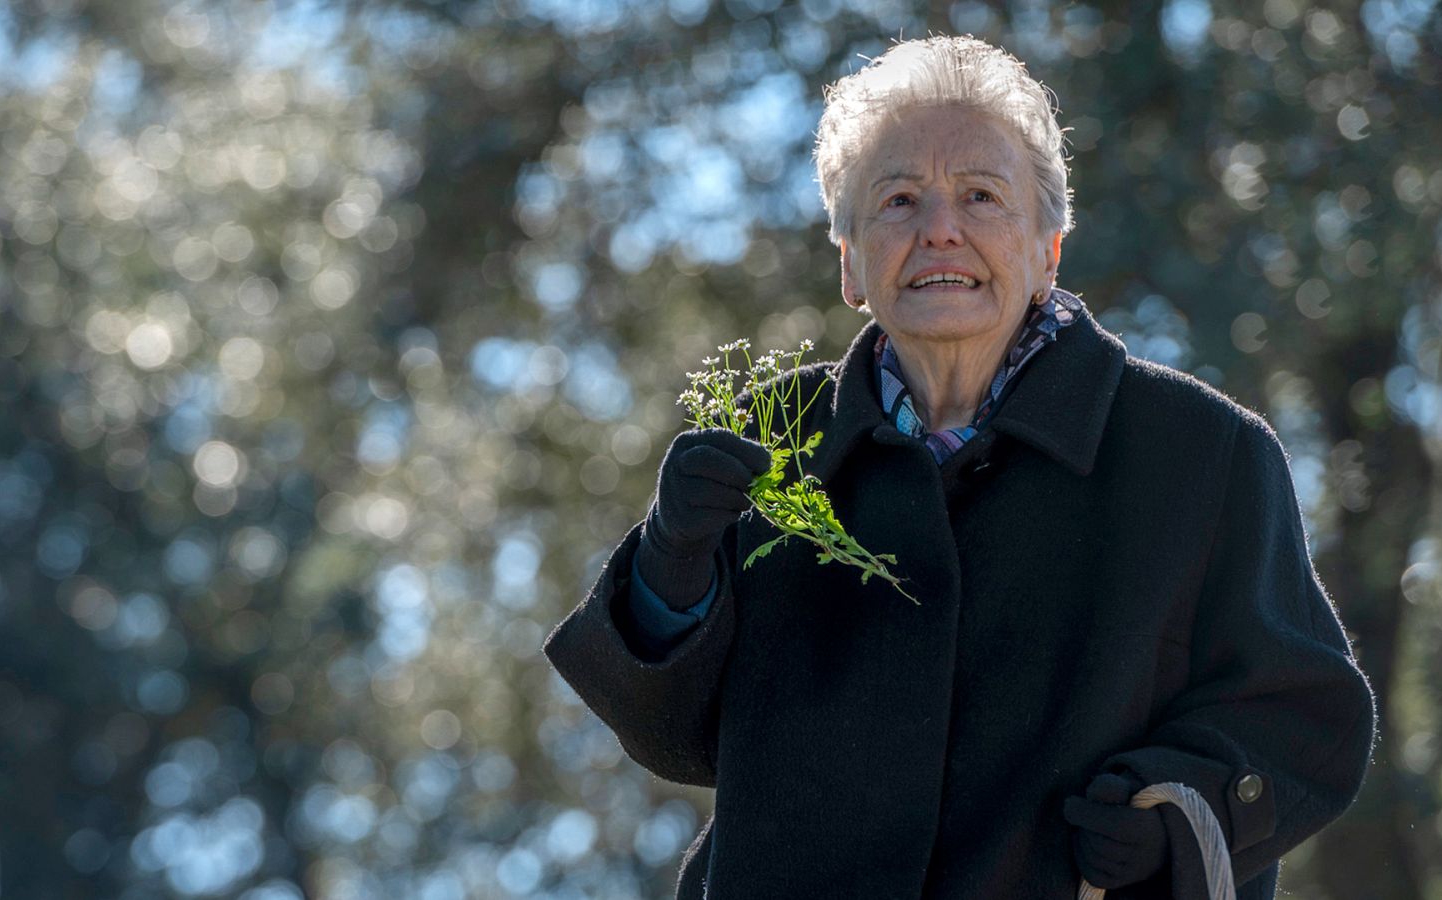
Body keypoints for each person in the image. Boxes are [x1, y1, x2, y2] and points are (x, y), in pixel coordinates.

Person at [544, 35, 1375, 899]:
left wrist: (1177, 811)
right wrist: (670, 568)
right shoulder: (771, 437)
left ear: (1048, 249)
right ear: (850, 263)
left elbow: (1306, 716)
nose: (940, 228)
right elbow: (672, 739)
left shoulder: (1203, 453)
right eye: (898, 200)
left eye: (981, 196)